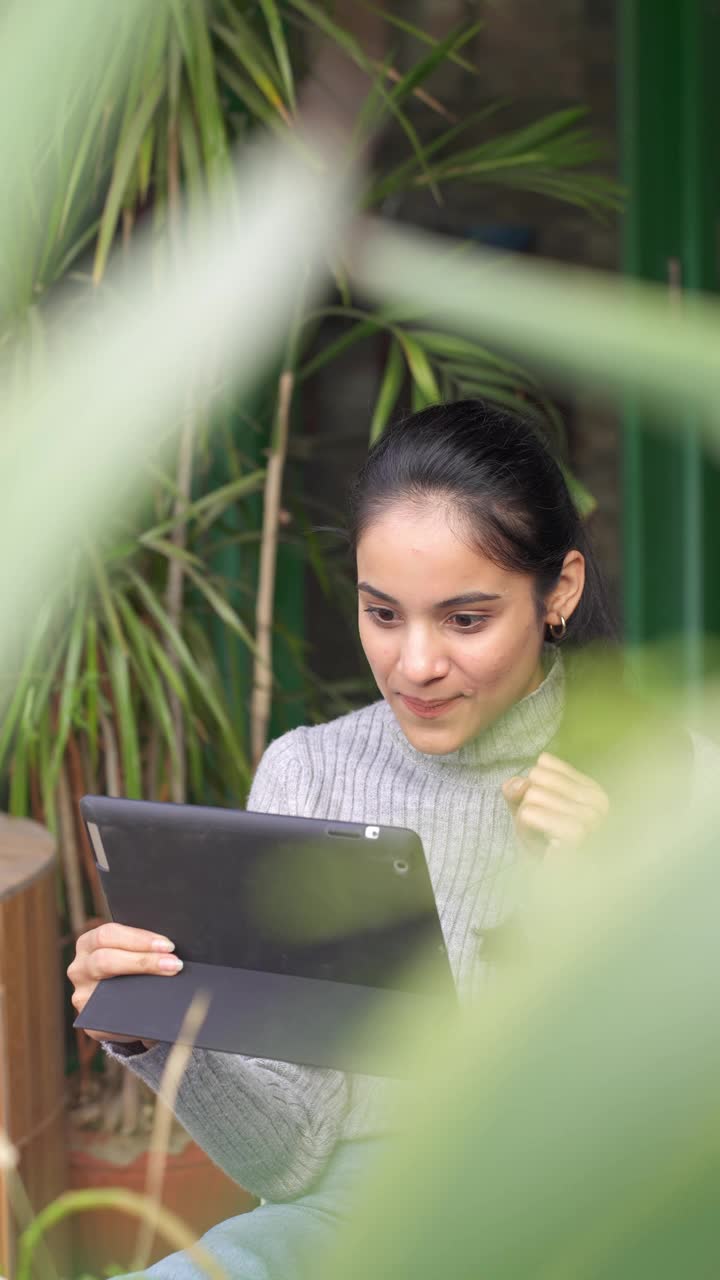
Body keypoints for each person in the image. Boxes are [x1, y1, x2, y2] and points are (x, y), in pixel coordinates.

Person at [67, 399, 696, 1278]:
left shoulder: (669, 775)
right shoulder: (309, 775)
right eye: (383, 614)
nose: (415, 664)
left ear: (559, 592)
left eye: (465, 620)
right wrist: (155, 1030)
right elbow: (284, 1165)